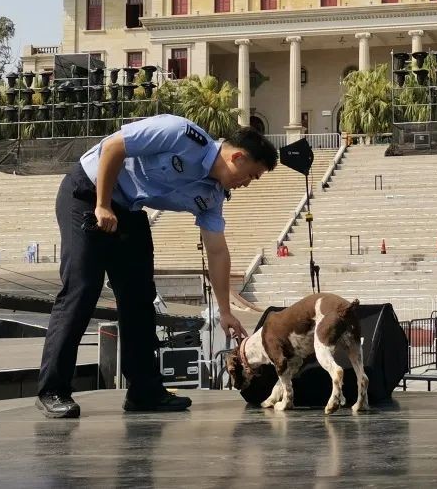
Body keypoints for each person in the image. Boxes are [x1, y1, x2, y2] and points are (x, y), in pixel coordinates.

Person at [36, 114, 278, 418]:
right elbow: (113, 147)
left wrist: (225, 311)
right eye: (251, 176)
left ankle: (144, 391)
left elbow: (217, 251)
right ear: (238, 157)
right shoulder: (181, 134)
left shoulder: (212, 195)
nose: (247, 184)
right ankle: (53, 389)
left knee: (139, 296)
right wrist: (102, 205)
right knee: (82, 288)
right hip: (88, 191)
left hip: (129, 208)